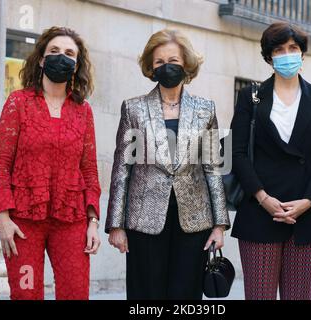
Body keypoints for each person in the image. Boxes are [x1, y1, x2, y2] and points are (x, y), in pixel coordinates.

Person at [105, 29, 230, 300]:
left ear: (186, 63)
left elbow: (213, 168)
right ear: (151, 67)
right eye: (159, 62)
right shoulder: (133, 109)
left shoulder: (205, 109)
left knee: (185, 295)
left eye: (173, 60)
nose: (166, 67)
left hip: (194, 220)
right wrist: (116, 224)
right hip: (144, 219)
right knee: (146, 294)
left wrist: (219, 225)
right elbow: (122, 169)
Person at [0, 26, 101, 300]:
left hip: (71, 219)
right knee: (26, 294)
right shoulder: (19, 102)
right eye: (54, 51)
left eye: (69, 53)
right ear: (41, 59)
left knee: (75, 294)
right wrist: (3, 216)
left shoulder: (83, 110)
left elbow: (89, 168)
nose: (61, 57)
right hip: (23, 221)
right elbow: (2, 162)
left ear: (76, 64)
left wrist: (93, 221)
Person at [230, 22, 311, 300]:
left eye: (293, 48)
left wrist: (309, 200)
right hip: (259, 211)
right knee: (259, 295)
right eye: (279, 49)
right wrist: (263, 198)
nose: (287, 54)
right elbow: (237, 152)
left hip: (306, 215)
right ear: (269, 57)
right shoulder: (250, 96)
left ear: (302, 54)